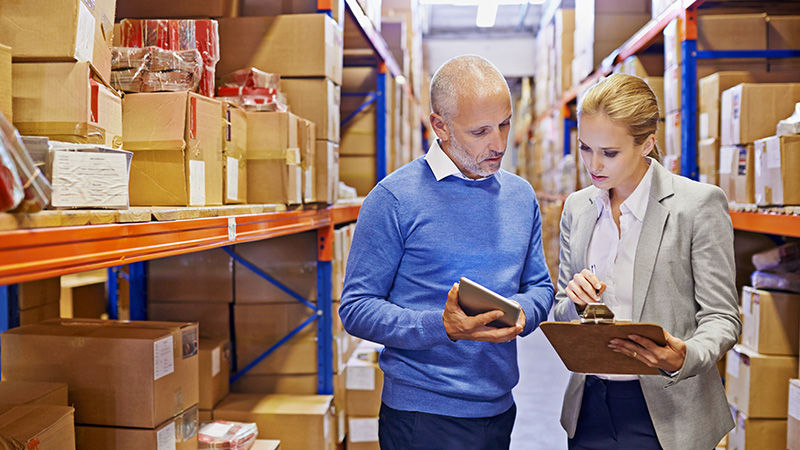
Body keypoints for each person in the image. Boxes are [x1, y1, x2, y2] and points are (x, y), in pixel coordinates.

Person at [339, 55, 554, 450]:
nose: (499, 144)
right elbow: (356, 308)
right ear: (440, 125)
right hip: (422, 418)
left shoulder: (521, 197)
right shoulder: (393, 200)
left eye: (505, 124)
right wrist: (443, 327)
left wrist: (523, 312)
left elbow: (540, 285)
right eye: (480, 131)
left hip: (499, 409)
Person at [553, 73, 741, 450]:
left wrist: (682, 356)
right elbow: (560, 309)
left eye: (609, 152)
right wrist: (573, 303)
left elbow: (722, 318)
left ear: (647, 144)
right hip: (591, 408)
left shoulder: (696, 206)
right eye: (585, 148)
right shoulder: (578, 208)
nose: (594, 164)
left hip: (668, 412)